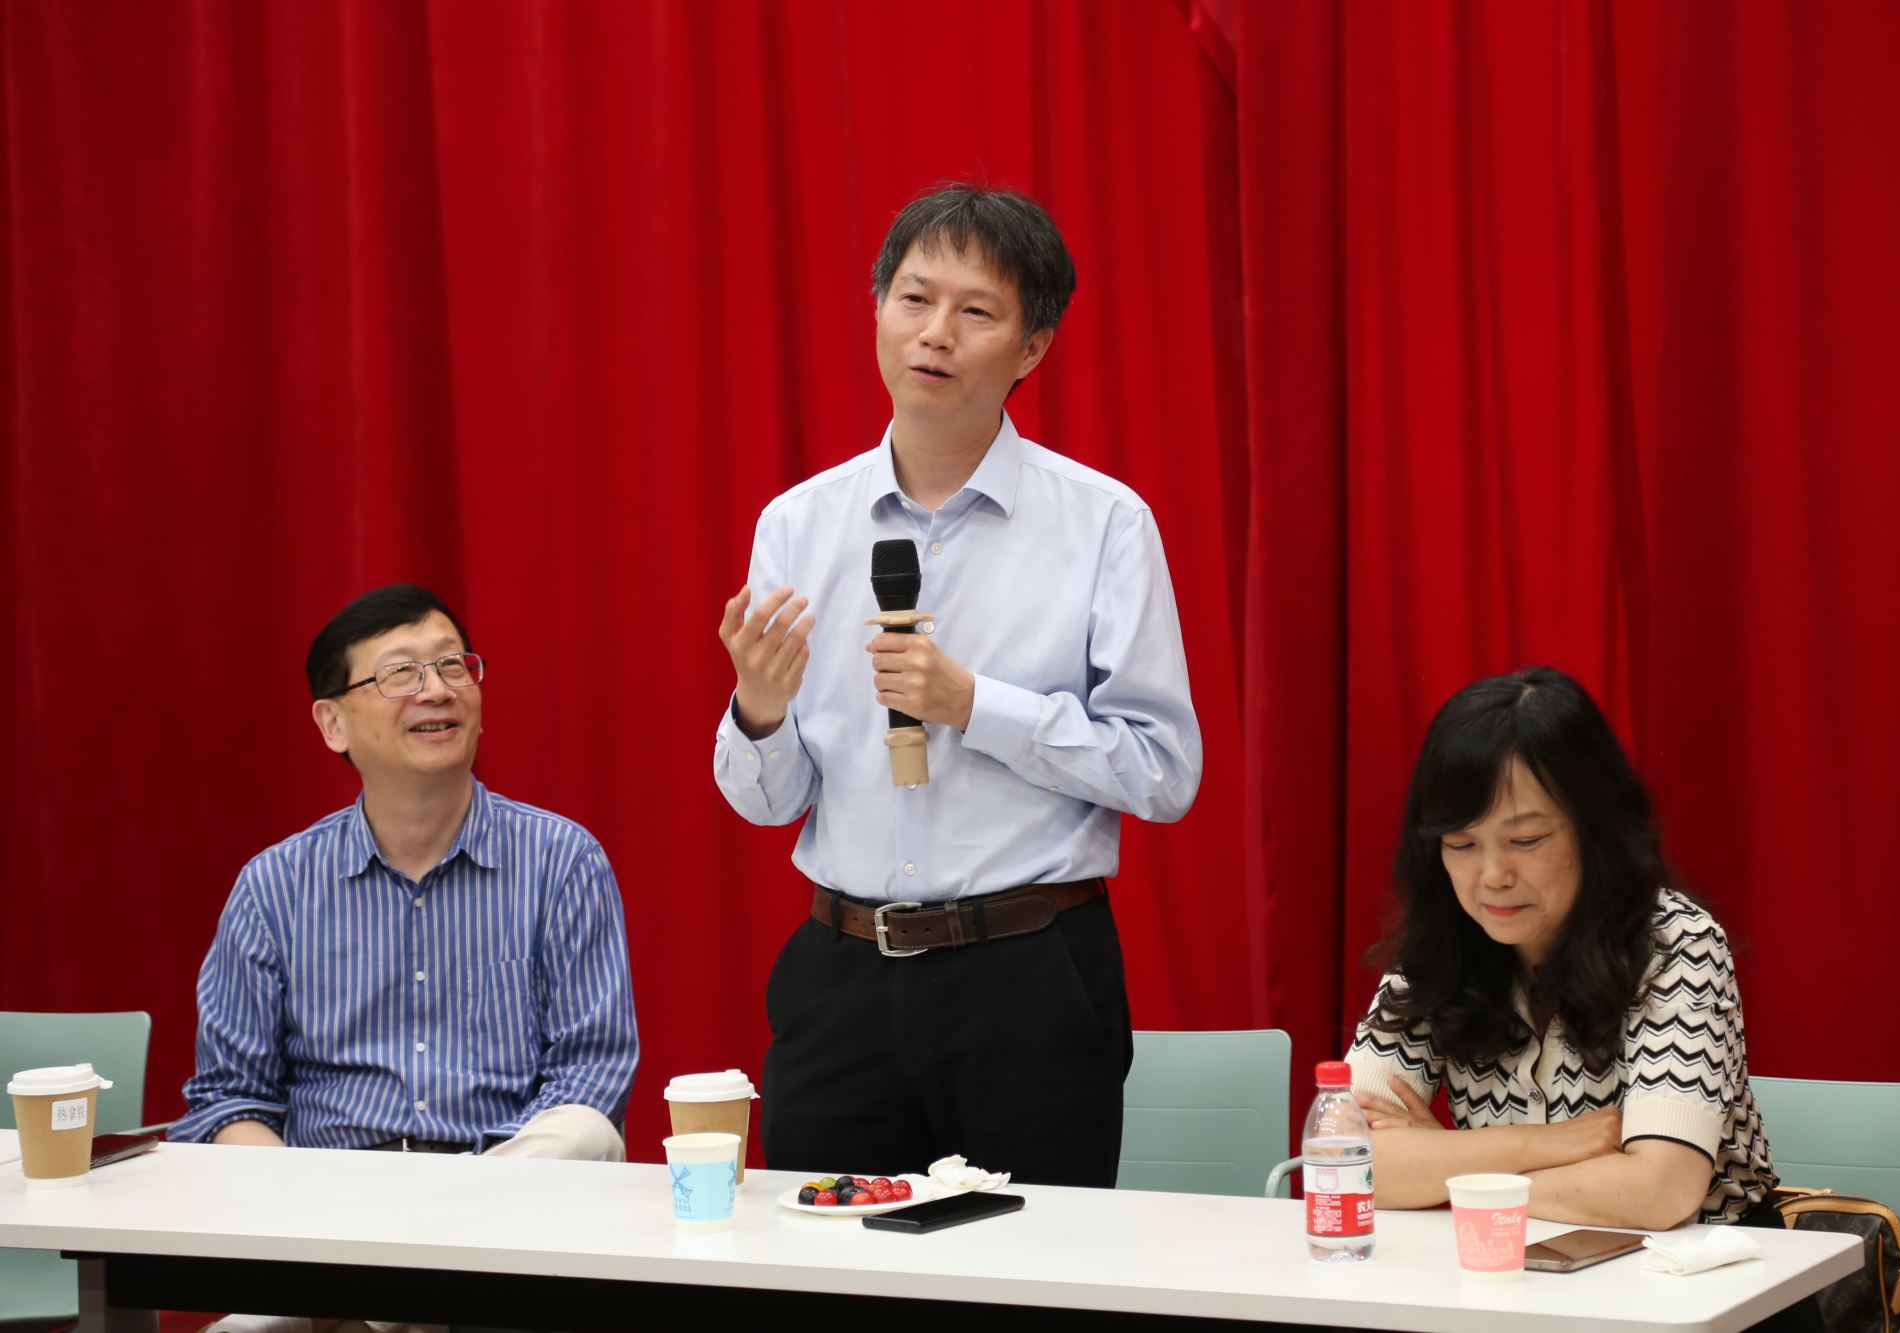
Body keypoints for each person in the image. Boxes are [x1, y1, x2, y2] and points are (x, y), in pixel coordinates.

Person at [713, 183, 1201, 1187]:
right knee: (824, 1262)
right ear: (877, 311)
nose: (935, 333)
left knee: (1033, 1263)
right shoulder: (797, 524)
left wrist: (975, 705)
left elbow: (1164, 772)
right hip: (842, 974)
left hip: (1028, 976)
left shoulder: (1104, 523)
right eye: (913, 299)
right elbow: (767, 803)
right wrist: (757, 709)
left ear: (1031, 347)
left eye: (975, 310)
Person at [1345, 667, 1821, 1331]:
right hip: (1519, 1295)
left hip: (1706, 1300)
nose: (1492, 875)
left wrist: (1444, 1168)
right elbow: (1346, 1163)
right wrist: (1560, 1143)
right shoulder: (1437, 953)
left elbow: (1660, 1190)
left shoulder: (1676, 945)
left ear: (1594, 829)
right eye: (1462, 843)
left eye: (1526, 840)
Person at [173, 583, 640, 1165]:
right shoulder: (275, 887)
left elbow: (592, 1072)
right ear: (333, 723)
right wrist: (303, 1195)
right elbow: (230, 1098)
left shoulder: (561, 862)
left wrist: (479, 1186)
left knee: (584, 1131)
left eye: (452, 666)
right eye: (401, 674)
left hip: (504, 1184)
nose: (438, 690)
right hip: (332, 1190)